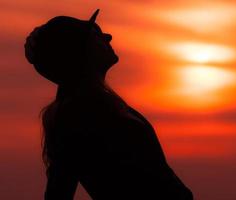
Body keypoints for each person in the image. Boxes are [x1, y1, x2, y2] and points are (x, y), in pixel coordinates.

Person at [24, 9, 193, 200]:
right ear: (78, 51)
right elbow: (59, 190)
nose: (108, 36)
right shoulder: (76, 116)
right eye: (95, 34)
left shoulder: (104, 104)